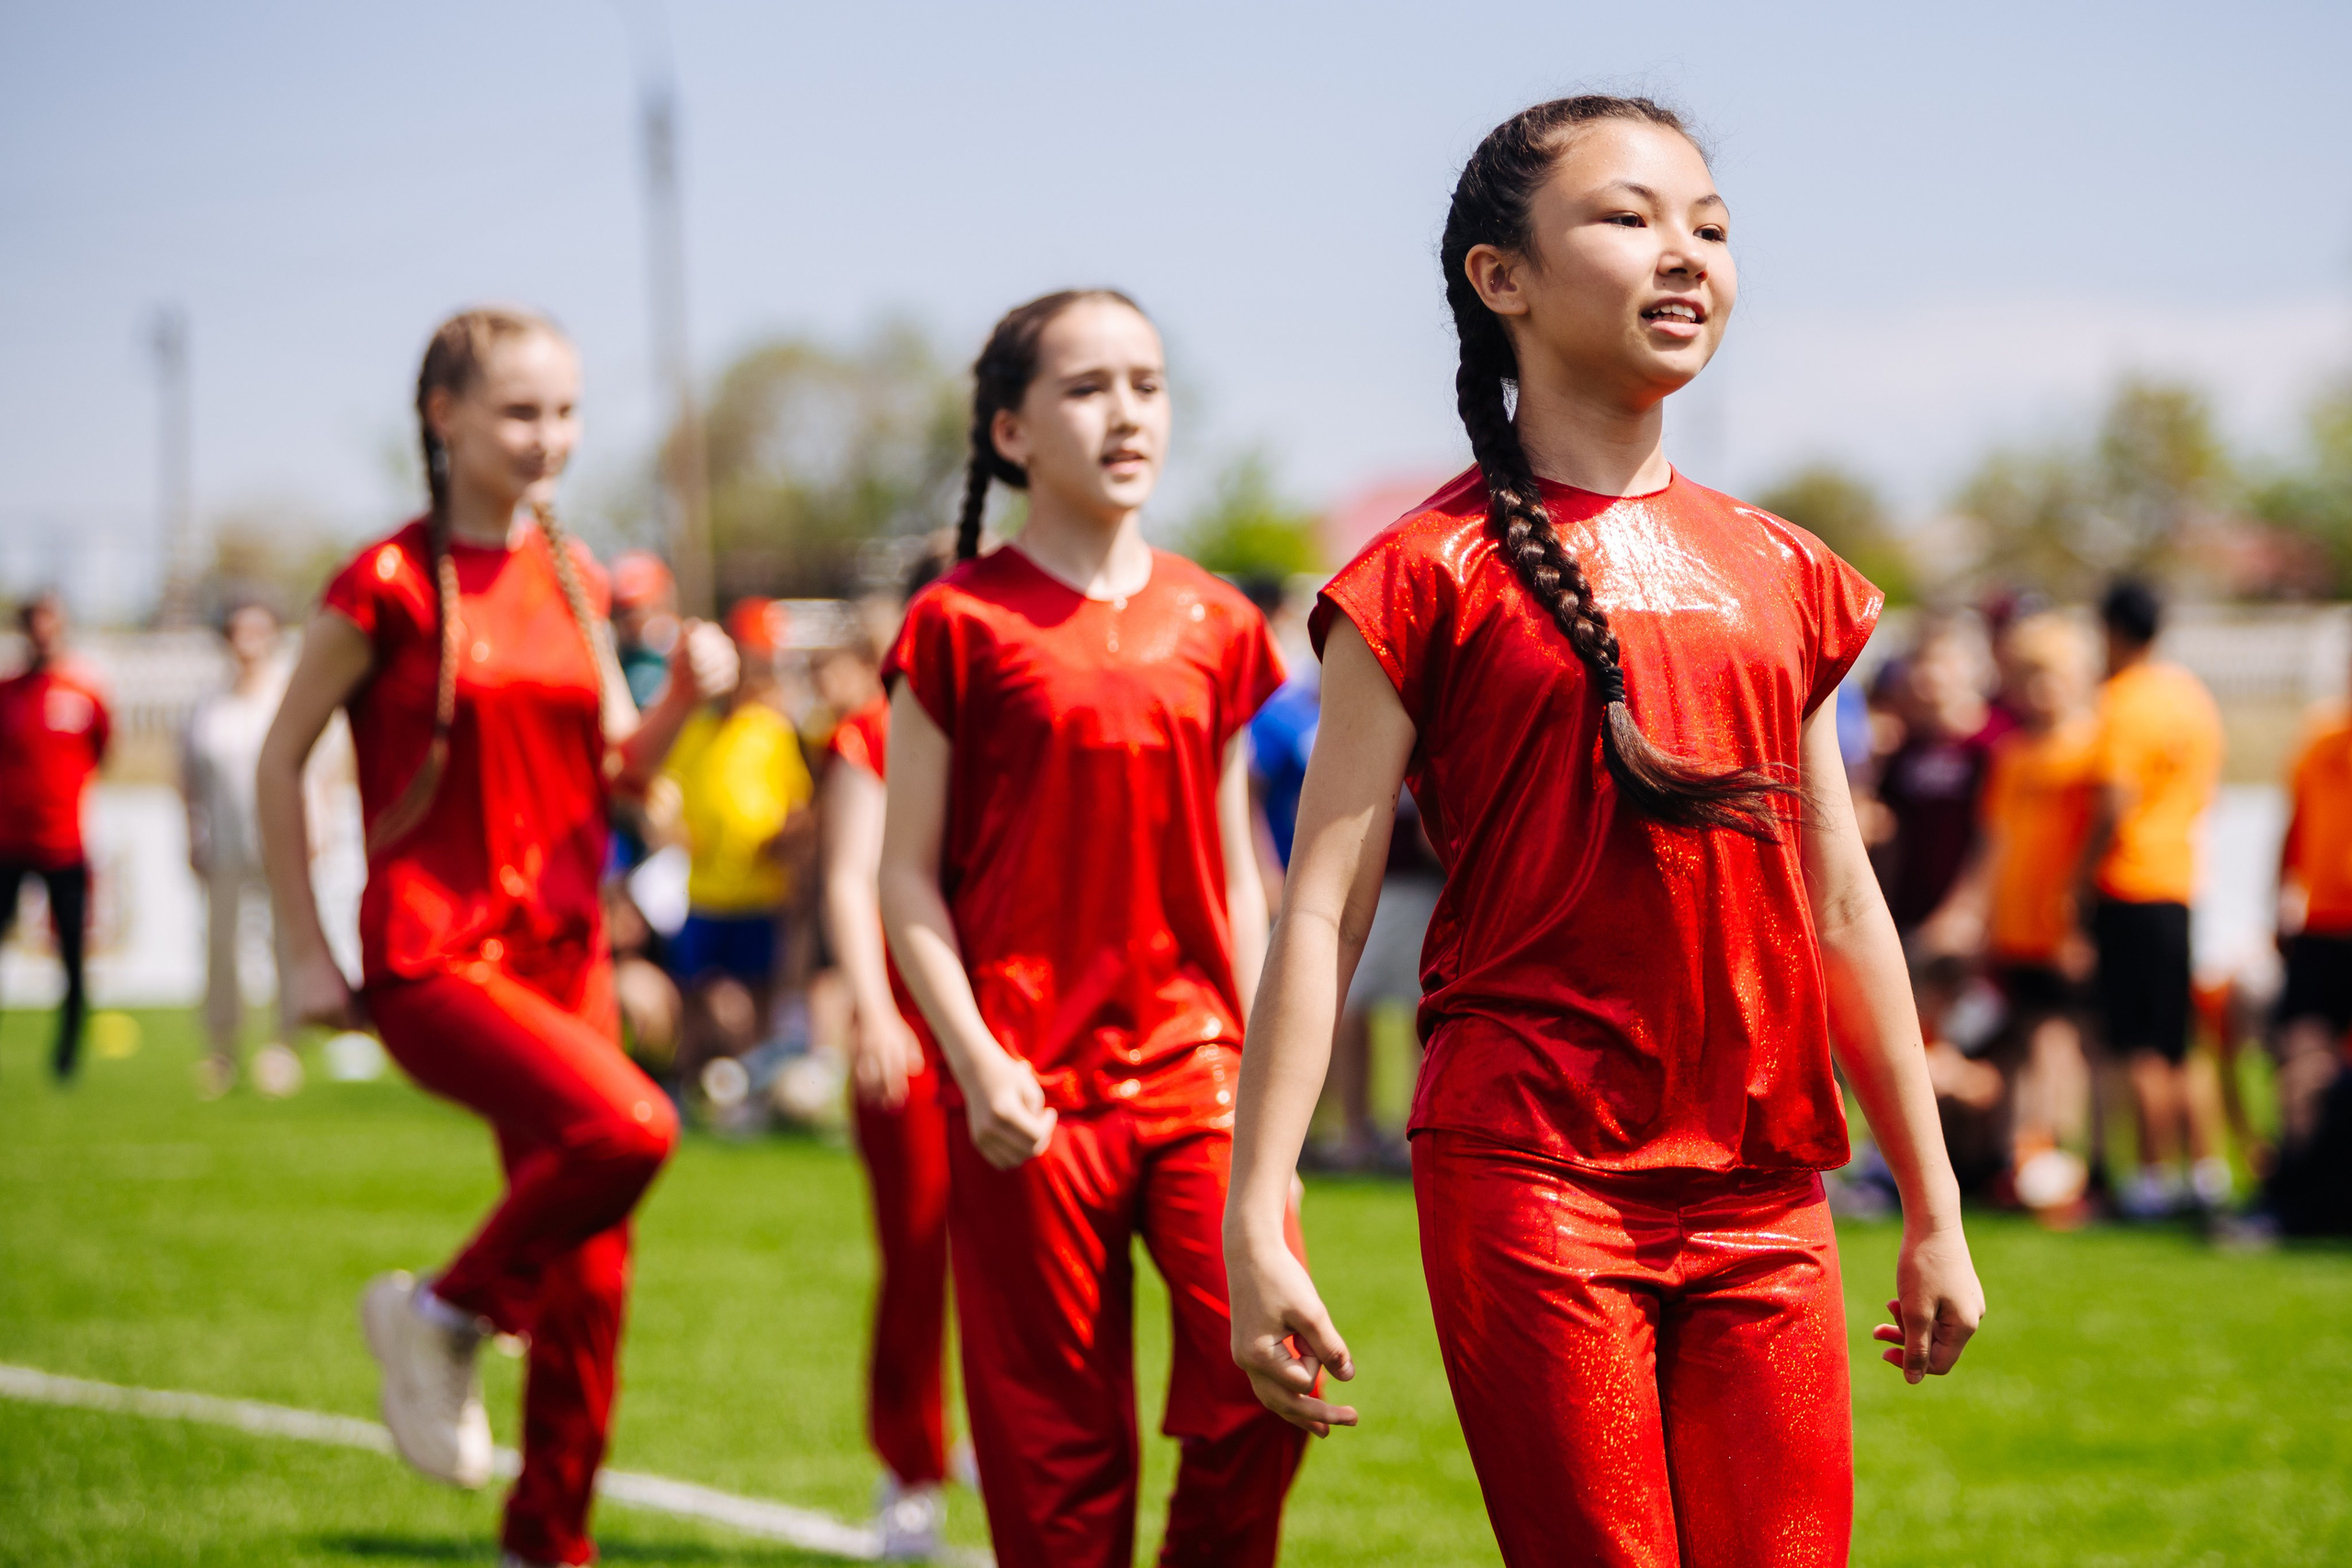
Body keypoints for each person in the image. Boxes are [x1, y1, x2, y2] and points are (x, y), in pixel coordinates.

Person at [1221, 96, 1982, 1567]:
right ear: (1500, 277)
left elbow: (1840, 908)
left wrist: (1934, 1199)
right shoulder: (1417, 574)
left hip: (1768, 1189)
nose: (1686, 254)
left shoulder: (1788, 570)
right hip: (1531, 1171)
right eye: (1630, 217)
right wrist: (1263, 1208)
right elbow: (1322, 908)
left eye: (1711, 225)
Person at [257, 307, 735, 1568]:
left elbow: (618, 768)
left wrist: (684, 692)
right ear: (444, 417)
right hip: (434, 954)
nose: (550, 438)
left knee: (599, 1272)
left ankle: (547, 1540)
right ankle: (444, 1309)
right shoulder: (388, 582)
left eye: (567, 412)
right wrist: (305, 954)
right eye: (522, 411)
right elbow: (278, 758)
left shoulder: (578, 578)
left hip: (567, 950)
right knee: (632, 1126)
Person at [877, 289, 1306, 1568]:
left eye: (1149, 381)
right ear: (1011, 431)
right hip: (1024, 1086)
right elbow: (904, 877)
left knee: (1270, 1365)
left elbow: (1239, 872)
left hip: (1200, 1076)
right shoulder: (957, 623)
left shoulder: (1216, 619)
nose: (1128, 410)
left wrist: (1271, 1096)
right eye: (1088, 386)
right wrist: (971, 1053)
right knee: (1054, 1453)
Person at [818, 551, 956, 1559]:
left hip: (1023, 1032)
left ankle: (997, 1443)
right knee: (915, 1254)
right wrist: (874, 1010)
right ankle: (908, 1466)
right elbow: (849, 879)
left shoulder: (1021, 728)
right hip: (912, 1034)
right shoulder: (870, 732)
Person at [1922, 613, 2099, 1213]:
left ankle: (2066, 1158)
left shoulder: (2092, 750)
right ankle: (2013, 1156)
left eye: (2052, 676)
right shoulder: (2014, 754)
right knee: (2010, 1044)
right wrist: (1976, 912)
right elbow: (1993, 842)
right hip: (2013, 928)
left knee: (2061, 1044)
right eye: (2029, 677)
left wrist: (2082, 922)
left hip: (2062, 928)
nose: (2040, 690)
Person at [2082, 578, 2226, 1218]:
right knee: (2178, 1042)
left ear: (2111, 630)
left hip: (2128, 879)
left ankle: (2148, 1179)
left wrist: (2076, 879)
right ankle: (2205, 1171)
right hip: (2181, 878)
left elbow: (2114, 800)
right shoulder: (2191, 696)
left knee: (2135, 1043)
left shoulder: (2121, 700)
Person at [661, 597, 815, 1080]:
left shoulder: (773, 730)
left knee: (761, 991)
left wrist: (788, 836)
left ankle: (752, 1085)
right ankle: (688, 1078)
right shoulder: (695, 728)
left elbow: (797, 805)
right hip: (703, 890)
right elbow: (665, 794)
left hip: (759, 890)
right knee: (695, 991)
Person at [183, 601, 298, 1097]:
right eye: (238, 631)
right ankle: (222, 1049)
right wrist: (192, 831)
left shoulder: (288, 697)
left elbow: (319, 767)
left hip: (282, 840)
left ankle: (283, 1047)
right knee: (221, 945)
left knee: (287, 944)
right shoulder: (207, 706)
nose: (247, 641)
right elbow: (188, 776)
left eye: (258, 630)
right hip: (225, 841)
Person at [0, 590, 110, 1082]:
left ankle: (68, 1056)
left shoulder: (83, 693)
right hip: (7, 845)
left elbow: (103, 750)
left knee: (70, 952)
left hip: (64, 844)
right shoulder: (7, 693)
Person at [1877, 618, 2012, 937]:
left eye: (1942, 661)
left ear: (1975, 669)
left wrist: (1966, 909)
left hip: (1973, 926)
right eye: (1921, 661)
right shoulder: (1908, 745)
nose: (1930, 673)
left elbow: (1998, 836)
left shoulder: (1998, 742)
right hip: (1910, 913)